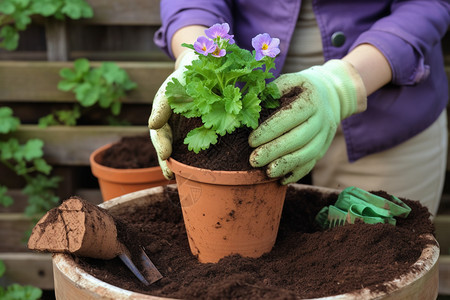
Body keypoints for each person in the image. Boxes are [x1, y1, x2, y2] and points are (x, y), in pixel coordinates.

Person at [149, 0, 450, 216]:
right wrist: (195, 62)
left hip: (384, 111)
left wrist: (339, 87)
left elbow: (426, 5)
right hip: (247, 128)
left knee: (374, 264)